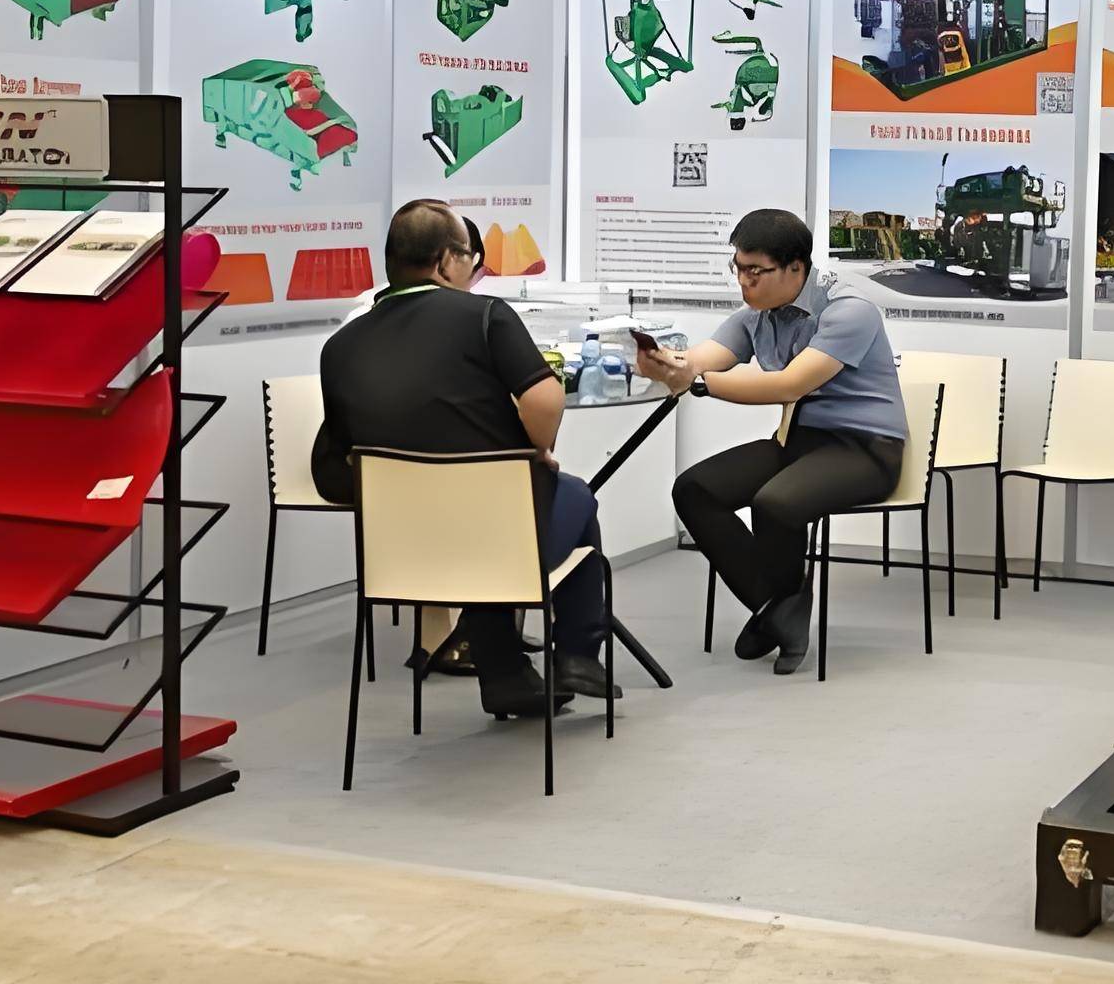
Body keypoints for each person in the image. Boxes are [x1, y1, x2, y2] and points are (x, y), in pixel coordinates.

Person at [312, 199, 616, 718]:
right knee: (574, 495)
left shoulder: (339, 347)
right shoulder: (485, 316)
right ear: (447, 260)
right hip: (497, 544)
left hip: (401, 557)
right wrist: (536, 448)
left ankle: (507, 676)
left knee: (482, 522)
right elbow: (545, 398)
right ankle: (578, 653)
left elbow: (335, 466)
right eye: (470, 258)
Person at [642, 208, 905, 676]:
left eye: (755, 271)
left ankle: (781, 613)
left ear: (795, 268)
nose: (743, 281)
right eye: (738, 268)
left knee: (775, 502)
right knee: (695, 489)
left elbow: (789, 385)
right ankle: (778, 608)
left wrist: (697, 383)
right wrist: (669, 362)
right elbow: (704, 357)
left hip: (865, 449)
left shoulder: (849, 310)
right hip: (798, 442)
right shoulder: (757, 315)